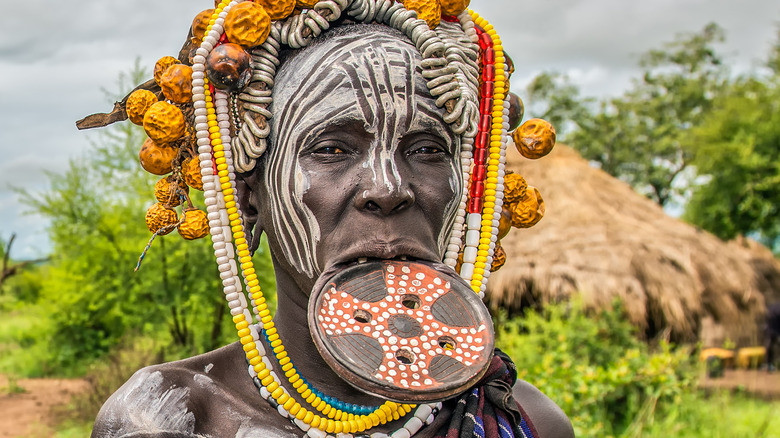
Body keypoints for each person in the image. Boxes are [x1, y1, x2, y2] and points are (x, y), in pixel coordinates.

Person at [84, 1, 572, 437]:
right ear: (251, 195)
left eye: (425, 149)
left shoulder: (524, 422)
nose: (388, 188)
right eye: (332, 148)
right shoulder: (168, 421)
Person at [766, 303, 780, 372]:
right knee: (771, 345)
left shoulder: (773, 307)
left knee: (770, 345)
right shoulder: (775, 308)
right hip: (774, 328)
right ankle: (769, 365)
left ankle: (769, 364)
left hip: (772, 328)